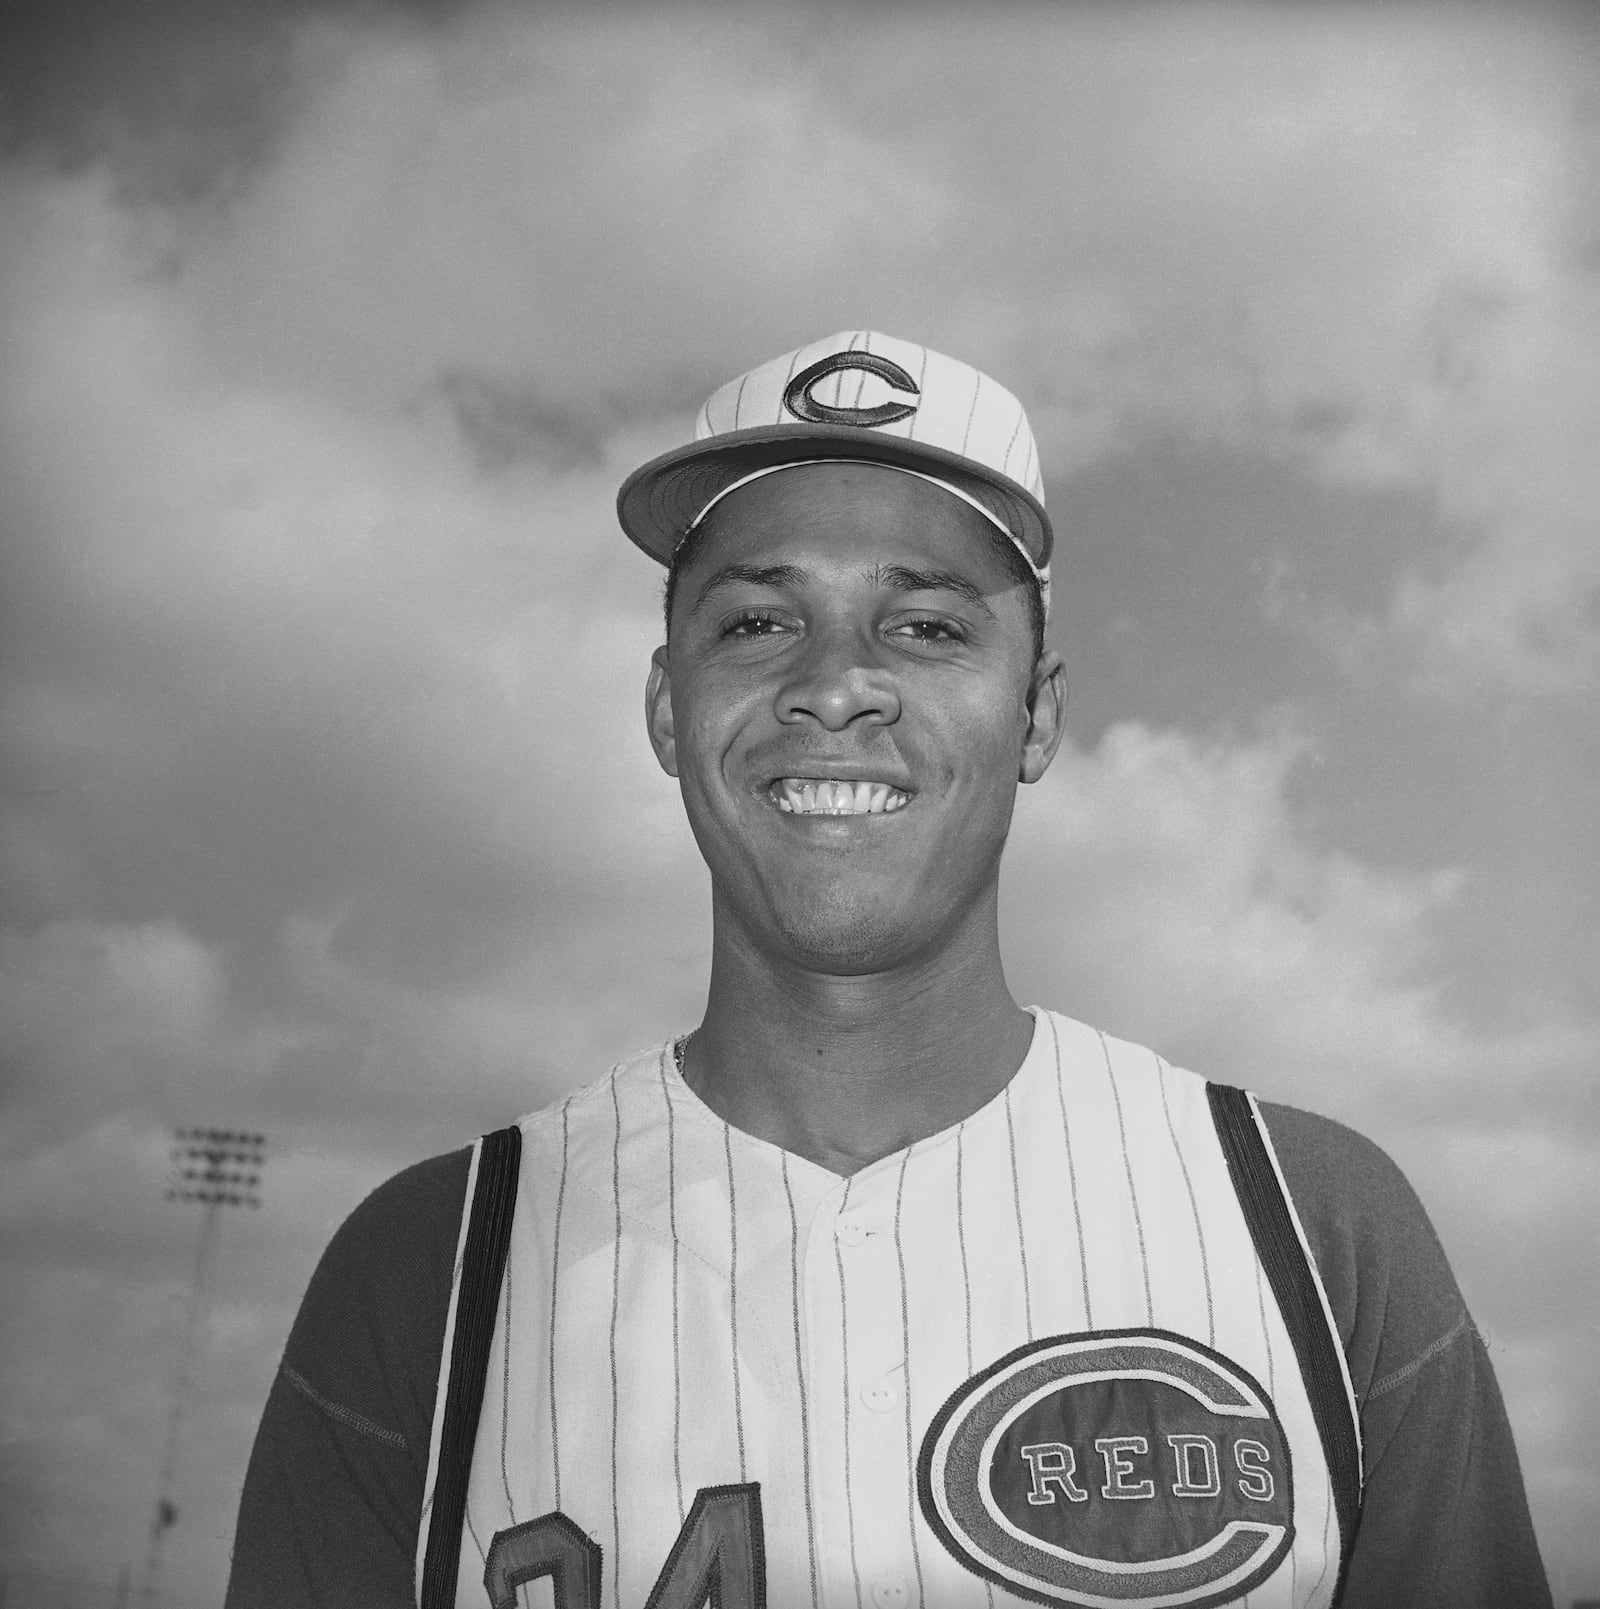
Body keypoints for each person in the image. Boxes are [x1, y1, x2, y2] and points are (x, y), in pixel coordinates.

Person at [226, 332, 1551, 1609]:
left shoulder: (1321, 1232)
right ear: (668, 709)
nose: (838, 683)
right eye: (755, 621)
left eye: (923, 625)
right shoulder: (427, 1272)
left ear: (1037, 715)